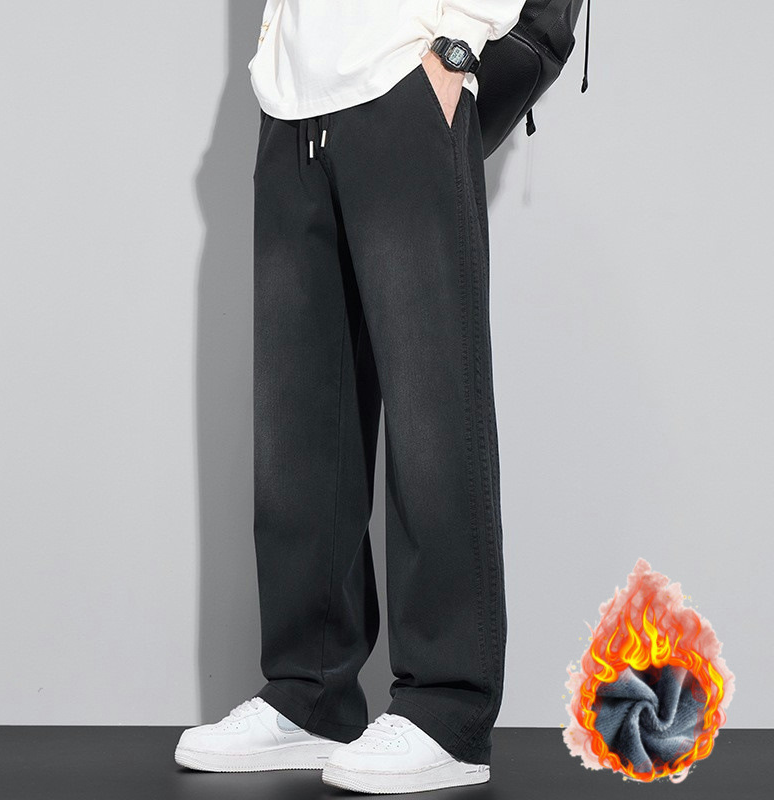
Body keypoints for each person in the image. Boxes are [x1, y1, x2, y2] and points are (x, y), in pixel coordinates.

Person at [175, 1, 527, 793]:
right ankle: (310, 695)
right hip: (291, 102)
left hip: (404, 76)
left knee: (434, 412)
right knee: (298, 425)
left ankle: (448, 711)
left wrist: (458, 45)